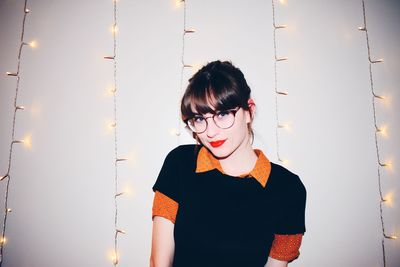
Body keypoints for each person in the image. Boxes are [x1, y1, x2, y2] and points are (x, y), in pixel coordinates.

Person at [150, 60, 306, 267]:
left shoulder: (287, 189)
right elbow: (159, 262)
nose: (210, 131)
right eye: (199, 118)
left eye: (222, 114)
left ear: (249, 111)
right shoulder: (180, 163)